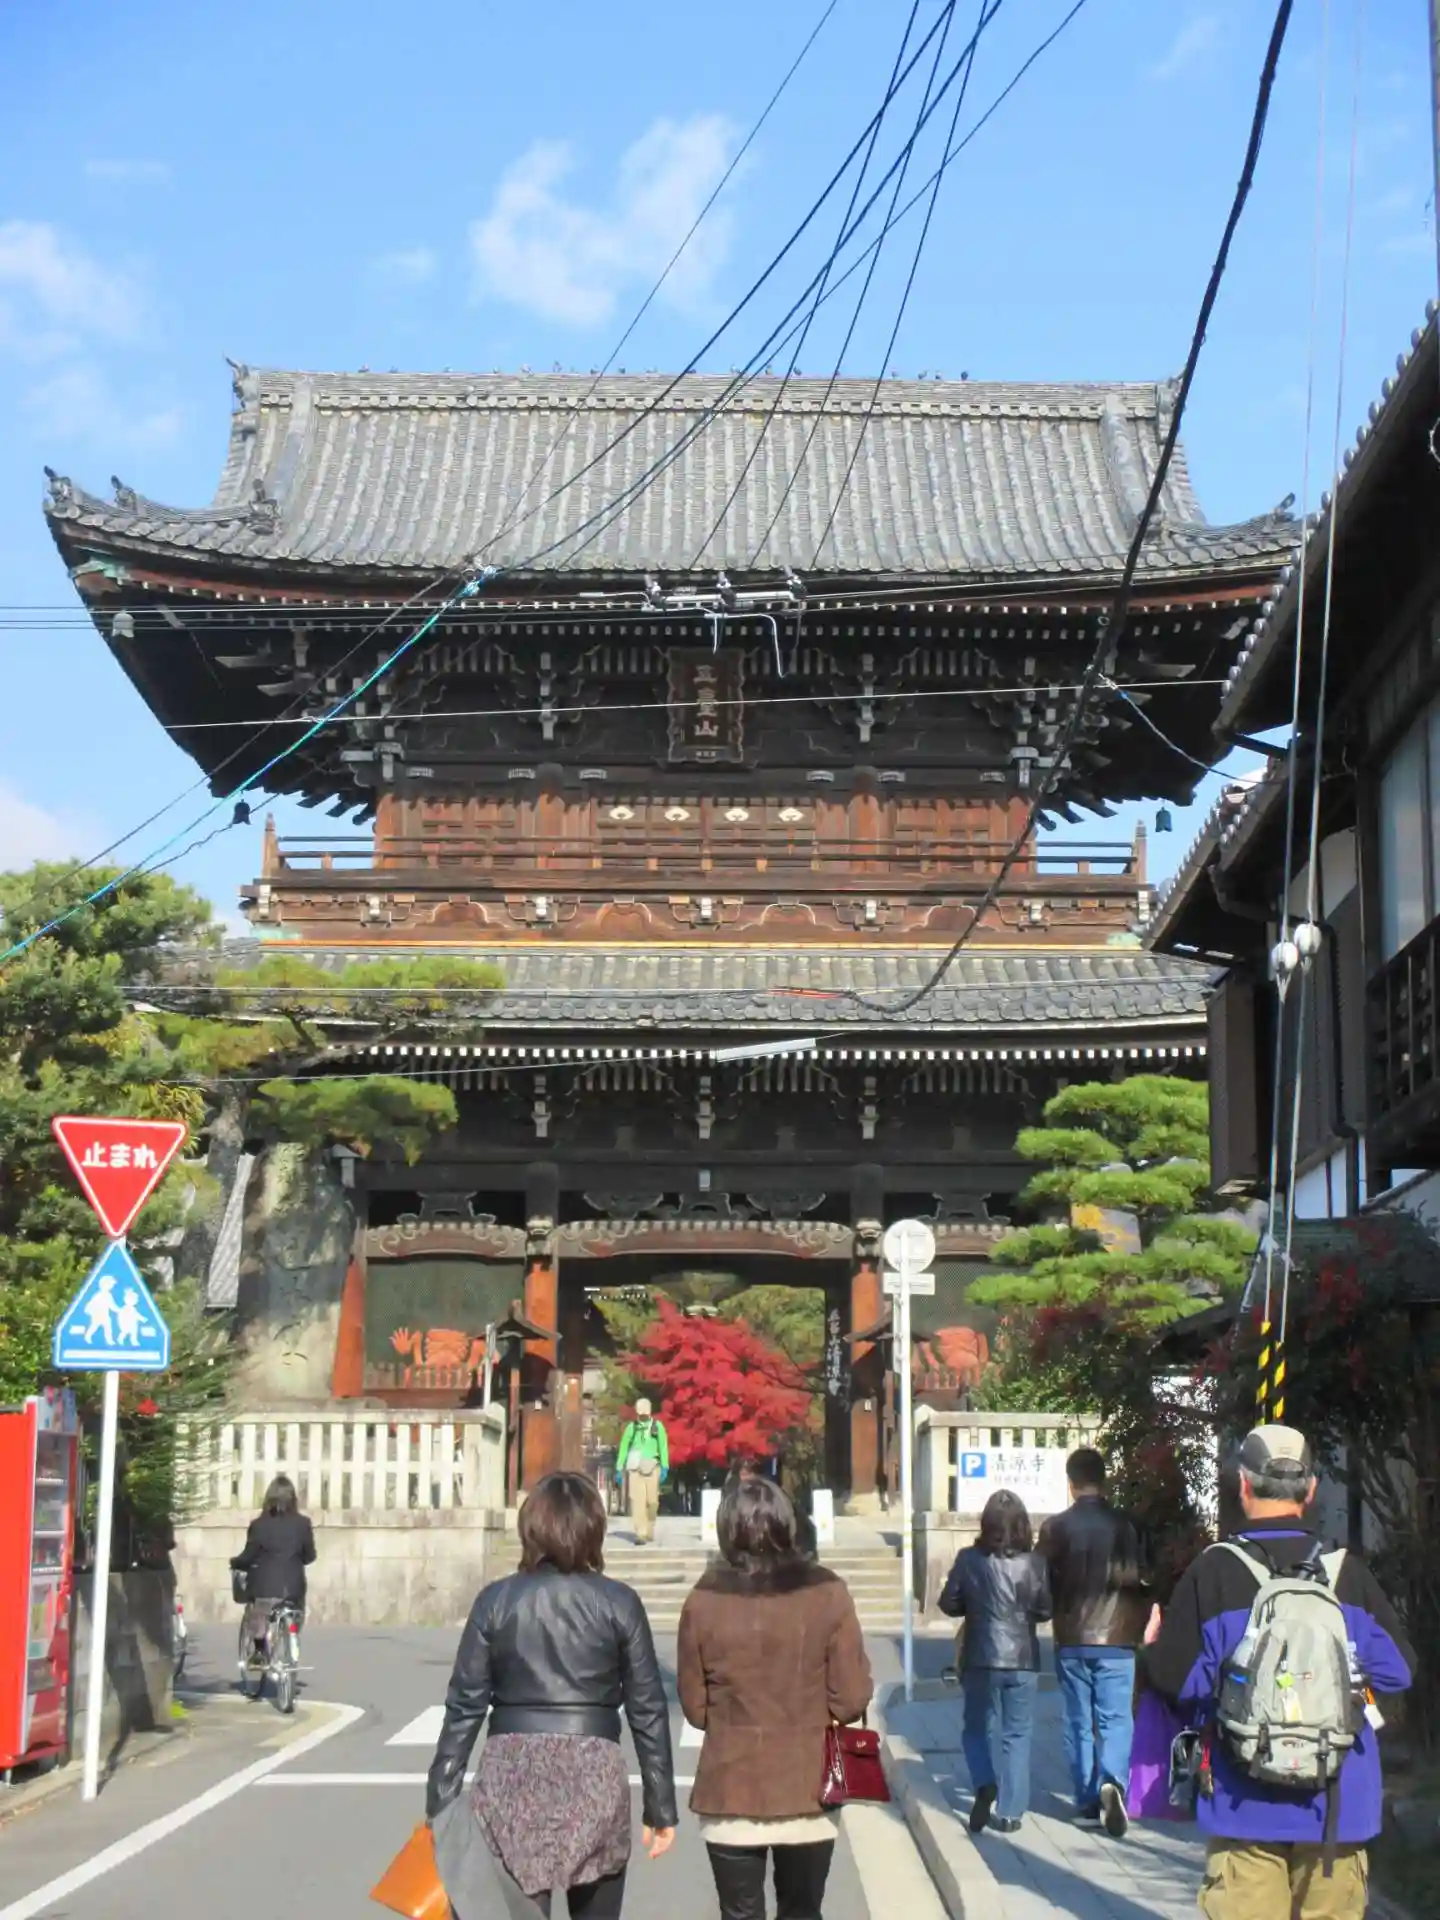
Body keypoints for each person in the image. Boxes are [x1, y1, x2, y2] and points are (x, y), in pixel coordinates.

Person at [1143, 1425, 1414, 1920]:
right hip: (1338, 1806)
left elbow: (1178, 1682)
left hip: (1243, 1803)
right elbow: (1399, 1672)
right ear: (1310, 1491)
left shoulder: (1213, 1571)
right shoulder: (1346, 1573)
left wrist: (1154, 1648)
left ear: (1243, 1485)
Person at [427, 1470, 677, 1918]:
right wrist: (660, 1806)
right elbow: (647, 1709)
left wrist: (440, 1802)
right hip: (594, 1771)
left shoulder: (495, 1601)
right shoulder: (619, 1602)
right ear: (594, 1528)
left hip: (512, 1771)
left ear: (531, 1528)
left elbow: (464, 1707)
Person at [677, 1476, 872, 1920]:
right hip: (809, 1788)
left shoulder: (703, 1599)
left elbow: (696, 1709)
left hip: (730, 1787)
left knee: (739, 1913)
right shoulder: (828, 1592)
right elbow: (850, 1699)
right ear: (789, 1524)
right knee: (802, 1911)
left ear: (726, 1528)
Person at [1038, 1446, 1151, 1837]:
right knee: (1116, 1718)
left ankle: (1087, 1801)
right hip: (1119, 1637)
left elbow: (1039, 1580)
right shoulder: (1129, 1527)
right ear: (1104, 1481)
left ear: (1070, 1484)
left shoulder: (1055, 1529)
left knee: (1078, 1721)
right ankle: (1113, 1782)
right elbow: (1147, 1578)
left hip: (1071, 1638)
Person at [939, 1489, 1052, 1834]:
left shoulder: (968, 1559)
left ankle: (984, 1782)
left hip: (980, 1655)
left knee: (976, 1728)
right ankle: (1010, 1812)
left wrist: (974, 1606)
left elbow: (948, 1603)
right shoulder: (1035, 1563)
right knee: (1017, 1734)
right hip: (1022, 1658)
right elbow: (1045, 1609)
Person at [230, 1474, 315, 1666]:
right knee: (295, 1610)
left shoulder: (259, 1525)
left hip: (265, 1588)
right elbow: (310, 1556)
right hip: (294, 1587)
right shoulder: (303, 1524)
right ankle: (291, 1635)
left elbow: (249, 1555)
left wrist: (235, 1563)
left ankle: (260, 1649)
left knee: (258, 1610)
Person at [615, 1398, 668, 1546]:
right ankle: (641, 1533)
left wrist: (665, 1466)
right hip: (635, 1468)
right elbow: (624, 1447)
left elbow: (663, 1446)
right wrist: (619, 1467)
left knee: (652, 1502)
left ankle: (650, 1527)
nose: (642, 1416)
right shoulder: (632, 1428)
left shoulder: (657, 1427)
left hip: (652, 1467)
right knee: (637, 1501)